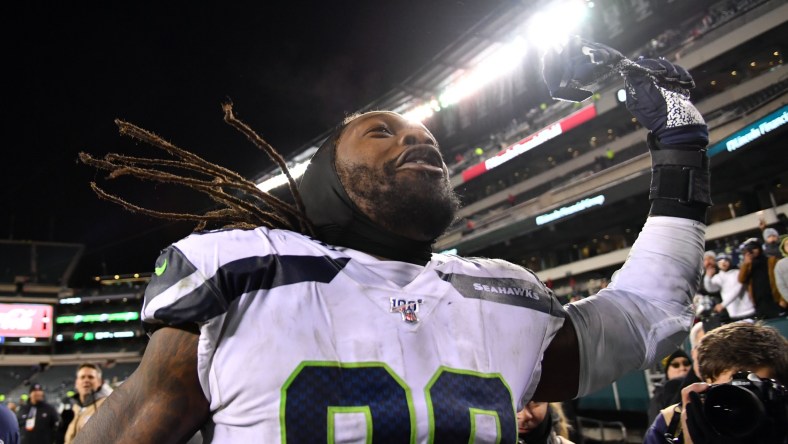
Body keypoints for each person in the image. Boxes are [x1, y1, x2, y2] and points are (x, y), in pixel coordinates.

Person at [75, 43, 711, 443]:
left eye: (428, 137)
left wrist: (681, 145)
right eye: (382, 132)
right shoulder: (241, 269)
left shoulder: (503, 291)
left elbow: (647, 317)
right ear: (326, 179)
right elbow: (135, 426)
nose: (419, 139)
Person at [643, 321, 788, 443]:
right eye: (730, 393)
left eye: (757, 390)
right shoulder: (671, 426)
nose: (743, 409)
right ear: (705, 388)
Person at [63, 364, 113, 444]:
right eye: (82, 377)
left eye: (91, 377)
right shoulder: (76, 407)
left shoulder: (107, 405)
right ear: (76, 383)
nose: (86, 380)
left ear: (99, 382)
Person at [738, 237, 785, 318]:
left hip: (775, 301)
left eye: (754, 248)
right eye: (750, 249)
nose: (752, 251)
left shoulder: (772, 261)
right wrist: (746, 264)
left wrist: (783, 300)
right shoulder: (748, 265)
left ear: (760, 248)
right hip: (759, 304)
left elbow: (783, 280)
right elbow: (741, 279)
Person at [704, 252, 755, 321]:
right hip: (734, 314)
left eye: (726, 260)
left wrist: (723, 305)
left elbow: (736, 290)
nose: (723, 263)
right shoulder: (718, 277)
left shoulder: (737, 272)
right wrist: (708, 277)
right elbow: (711, 289)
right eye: (720, 261)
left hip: (748, 311)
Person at [647, 349, 692, 423]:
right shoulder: (659, 397)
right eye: (675, 365)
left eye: (686, 363)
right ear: (667, 371)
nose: (682, 368)